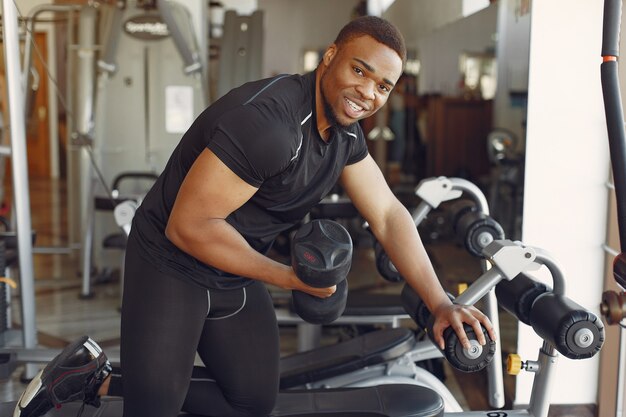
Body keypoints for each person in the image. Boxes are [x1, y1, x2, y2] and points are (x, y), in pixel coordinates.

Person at [14, 15, 496, 417]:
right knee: (153, 409)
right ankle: (111, 384)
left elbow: (389, 215)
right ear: (329, 57)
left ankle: (95, 380)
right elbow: (190, 227)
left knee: (251, 403)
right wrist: (286, 277)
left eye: (383, 85)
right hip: (170, 263)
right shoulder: (273, 127)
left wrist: (439, 303)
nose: (368, 92)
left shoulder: (345, 134)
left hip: (233, 269)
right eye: (360, 70)